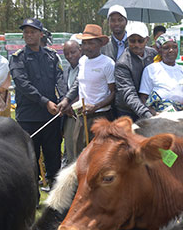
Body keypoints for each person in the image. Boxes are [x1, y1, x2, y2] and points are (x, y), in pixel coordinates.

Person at [9, 18, 67, 188]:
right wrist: (45, 102)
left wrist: (64, 99)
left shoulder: (51, 56)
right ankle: (32, 198)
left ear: (41, 34)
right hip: (29, 118)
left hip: (50, 117)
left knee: (53, 158)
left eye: (33, 31)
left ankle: (55, 197)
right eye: (26, 32)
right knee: (29, 160)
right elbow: (22, 84)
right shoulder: (17, 58)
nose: (29, 35)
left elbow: (60, 79)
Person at [58, 24, 116, 155]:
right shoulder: (83, 61)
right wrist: (67, 100)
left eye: (91, 43)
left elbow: (113, 93)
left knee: (99, 155)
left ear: (100, 44)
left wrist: (95, 107)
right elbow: (79, 84)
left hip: (100, 116)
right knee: (79, 153)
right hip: (81, 116)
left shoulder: (108, 64)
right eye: (84, 43)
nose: (87, 47)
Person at [114, 21, 157, 120]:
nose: (136, 44)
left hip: (150, 106)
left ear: (147, 40)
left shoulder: (153, 54)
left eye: (140, 40)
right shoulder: (122, 63)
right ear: (127, 40)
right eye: (132, 41)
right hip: (128, 111)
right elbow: (129, 95)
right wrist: (147, 115)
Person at [139, 34, 183, 115]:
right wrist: (155, 114)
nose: (171, 50)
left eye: (174, 47)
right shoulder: (151, 70)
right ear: (159, 50)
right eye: (166, 48)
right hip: (158, 118)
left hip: (181, 117)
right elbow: (143, 98)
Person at [61, 40, 81, 165]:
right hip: (69, 116)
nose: (70, 56)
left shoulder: (85, 68)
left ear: (80, 50)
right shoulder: (66, 71)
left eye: (73, 52)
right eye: (66, 54)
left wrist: (71, 104)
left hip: (81, 113)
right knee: (69, 146)